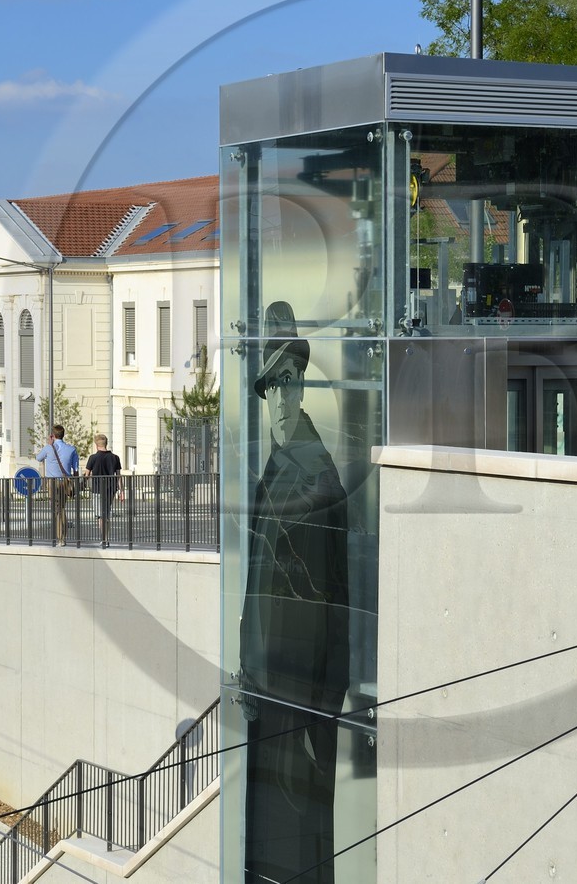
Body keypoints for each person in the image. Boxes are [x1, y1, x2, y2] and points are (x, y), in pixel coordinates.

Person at [239, 301, 350, 883]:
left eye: (291, 382)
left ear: (302, 388)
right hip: (269, 688)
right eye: (273, 385)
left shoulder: (314, 475)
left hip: (300, 695)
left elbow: (330, 597)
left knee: (301, 838)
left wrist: (322, 704)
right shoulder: (278, 467)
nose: (282, 398)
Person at [35, 425, 78, 545]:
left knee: (57, 510)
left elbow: (38, 458)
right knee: (62, 508)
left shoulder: (49, 448)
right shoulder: (72, 449)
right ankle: (62, 537)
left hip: (52, 482)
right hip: (66, 481)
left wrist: (50, 443)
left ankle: (61, 538)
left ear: (52, 436)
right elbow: (76, 469)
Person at [84, 433, 123, 546]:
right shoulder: (115, 457)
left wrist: (82, 484)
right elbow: (118, 476)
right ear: (106, 444)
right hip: (111, 489)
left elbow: (87, 474)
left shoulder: (93, 458)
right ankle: (106, 537)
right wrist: (122, 491)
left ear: (96, 445)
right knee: (106, 514)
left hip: (97, 489)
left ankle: (103, 538)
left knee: (100, 515)